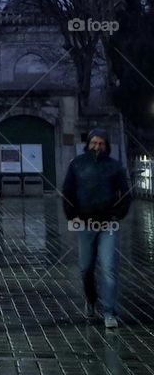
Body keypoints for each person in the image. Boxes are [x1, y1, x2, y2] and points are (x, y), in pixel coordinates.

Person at [61, 128, 131, 328]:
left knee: (109, 267)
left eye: (101, 143)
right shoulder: (77, 165)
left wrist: (117, 214)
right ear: (88, 144)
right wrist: (72, 215)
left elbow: (125, 193)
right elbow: (67, 191)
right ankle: (91, 301)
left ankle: (110, 311)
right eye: (94, 143)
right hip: (85, 222)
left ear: (106, 145)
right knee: (85, 269)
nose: (97, 147)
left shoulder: (115, 167)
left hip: (108, 223)